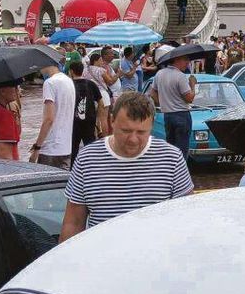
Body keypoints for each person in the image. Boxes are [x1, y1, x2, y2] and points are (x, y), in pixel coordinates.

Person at [59, 93, 194, 235]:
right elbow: (73, 223)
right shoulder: (86, 159)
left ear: (152, 125)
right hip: (102, 255)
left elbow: (186, 219)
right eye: (126, 131)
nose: (133, 140)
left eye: (141, 132)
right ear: (112, 121)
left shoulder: (172, 159)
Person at [150, 47, 198, 159]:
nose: (187, 62)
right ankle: (180, 172)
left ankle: (171, 169)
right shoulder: (180, 76)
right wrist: (193, 85)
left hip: (167, 114)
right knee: (182, 149)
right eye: (185, 59)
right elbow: (189, 98)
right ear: (176, 60)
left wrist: (163, 103)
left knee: (170, 147)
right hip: (181, 114)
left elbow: (152, 93)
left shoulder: (159, 74)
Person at [29, 62, 75, 169]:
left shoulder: (49, 83)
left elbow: (49, 119)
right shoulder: (68, 81)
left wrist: (37, 147)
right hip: (66, 147)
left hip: (50, 149)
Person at [68, 60, 109, 163]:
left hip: (73, 122)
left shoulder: (69, 85)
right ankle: (92, 168)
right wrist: (98, 122)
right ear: (82, 71)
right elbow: (101, 103)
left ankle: (73, 172)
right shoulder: (91, 84)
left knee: (73, 149)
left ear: (71, 71)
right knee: (91, 149)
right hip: (90, 121)